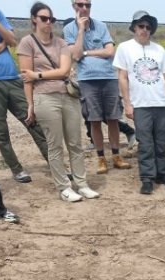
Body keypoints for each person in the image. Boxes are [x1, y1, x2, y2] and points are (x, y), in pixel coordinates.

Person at [18, 2, 99, 203]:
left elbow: (64, 70)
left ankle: (82, 184)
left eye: (51, 19)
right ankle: (64, 187)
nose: (49, 22)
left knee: (75, 143)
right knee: (55, 145)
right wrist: (30, 104)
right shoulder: (27, 43)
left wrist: (38, 74)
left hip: (68, 96)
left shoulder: (61, 42)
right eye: (44, 18)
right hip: (45, 98)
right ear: (34, 19)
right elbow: (26, 79)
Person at [63, 0, 132, 174]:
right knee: (94, 121)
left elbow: (110, 51)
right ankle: (101, 158)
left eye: (88, 5)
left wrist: (86, 52)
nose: (84, 8)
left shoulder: (101, 26)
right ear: (73, 6)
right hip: (87, 80)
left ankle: (116, 156)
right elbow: (75, 55)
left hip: (108, 77)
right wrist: (80, 30)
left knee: (113, 119)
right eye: (80, 4)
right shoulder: (69, 29)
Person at [114, 10, 165, 195]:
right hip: (140, 105)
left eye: (148, 27)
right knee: (145, 143)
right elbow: (122, 77)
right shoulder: (125, 48)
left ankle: (162, 173)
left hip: (160, 103)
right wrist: (127, 103)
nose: (144, 30)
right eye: (141, 26)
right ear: (134, 27)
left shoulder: (159, 50)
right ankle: (147, 178)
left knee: (162, 141)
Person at [0, 6, 49, 184]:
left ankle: (54, 162)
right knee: (1, 130)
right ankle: (16, 169)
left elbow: (13, 41)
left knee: (33, 121)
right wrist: (3, 44)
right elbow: (6, 42)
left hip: (12, 78)